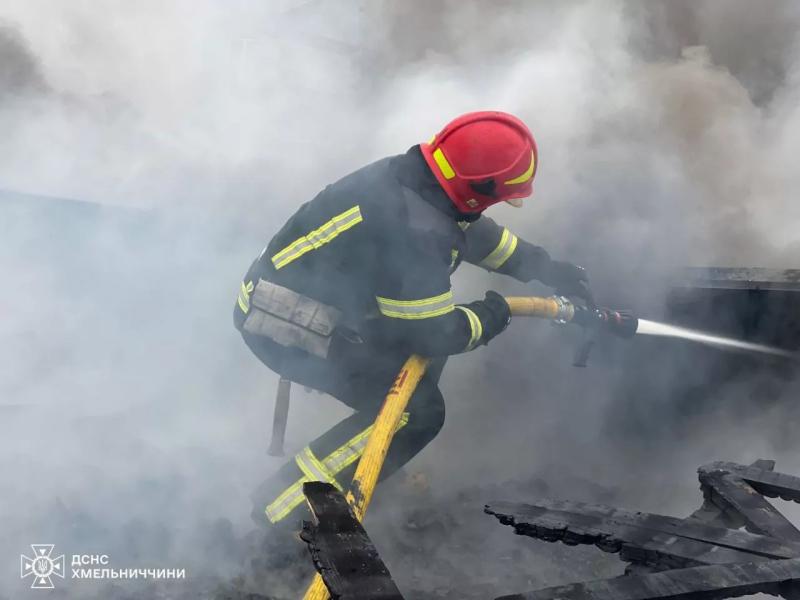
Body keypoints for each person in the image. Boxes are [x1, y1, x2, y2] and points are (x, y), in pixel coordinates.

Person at [233, 110, 592, 533]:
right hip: (282, 322)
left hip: (312, 305)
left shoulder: (419, 181)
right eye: (501, 196)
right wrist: (495, 313)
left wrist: (545, 268)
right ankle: (280, 509)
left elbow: (468, 231)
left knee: (414, 368)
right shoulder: (414, 229)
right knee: (417, 411)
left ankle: (367, 457)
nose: (501, 205)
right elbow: (436, 332)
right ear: (476, 192)